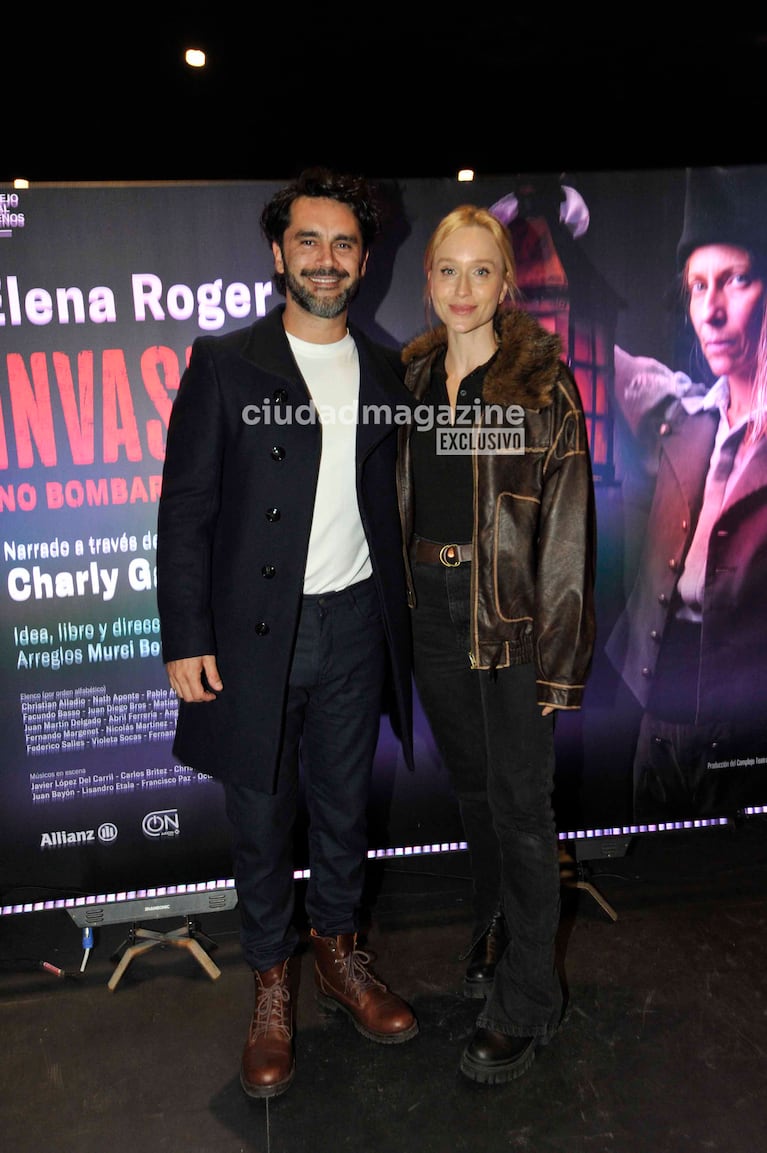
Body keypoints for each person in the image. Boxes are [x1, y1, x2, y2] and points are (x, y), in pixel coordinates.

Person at [156, 167, 418, 1101]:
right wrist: (185, 636)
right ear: (278, 254)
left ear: (363, 258)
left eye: (343, 243)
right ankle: (271, 983)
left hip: (355, 628)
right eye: (307, 240)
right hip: (256, 639)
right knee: (262, 823)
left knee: (345, 810)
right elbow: (185, 510)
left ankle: (340, 957)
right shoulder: (226, 364)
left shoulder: (389, 370)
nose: (325, 258)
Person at [397, 205, 596, 1084]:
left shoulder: (542, 385)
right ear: (428, 277)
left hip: (510, 617)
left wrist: (558, 662)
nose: (464, 288)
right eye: (449, 269)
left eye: (482, 271)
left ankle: (527, 1001)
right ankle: (499, 926)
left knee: (520, 806)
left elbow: (564, 535)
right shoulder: (408, 382)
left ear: (505, 282)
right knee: (474, 793)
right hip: (430, 609)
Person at [607, 165, 767, 822]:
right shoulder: (688, 417)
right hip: (654, 725)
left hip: (746, 737)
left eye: (734, 279)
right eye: (697, 286)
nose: (711, 309)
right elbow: (619, 367)